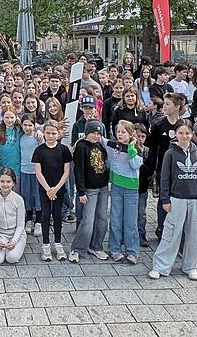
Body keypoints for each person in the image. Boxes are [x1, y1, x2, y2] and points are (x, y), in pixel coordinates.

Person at [149, 119, 197, 281]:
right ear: (175, 134)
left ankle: (191, 266)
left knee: (194, 234)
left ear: (192, 134)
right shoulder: (170, 154)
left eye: (187, 133)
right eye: (181, 133)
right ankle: (161, 266)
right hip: (176, 199)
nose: (184, 136)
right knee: (171, 233)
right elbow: (164, 179)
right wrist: (165, 200)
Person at [145, 92, 186, 238]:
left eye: (168, 104)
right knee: (164, 198)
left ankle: (177, 228)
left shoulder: (185, 125)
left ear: (177, 107)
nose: (165, 106)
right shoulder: (159, 125)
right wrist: (151, 169)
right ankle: (161, 228)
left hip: (181, 169)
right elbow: (151, 148)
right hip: (163, 167)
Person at [69, 120, 109, 262]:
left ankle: (96, 246)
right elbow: (78, 170)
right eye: (93, 133)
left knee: (102, 219)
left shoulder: (100, 145)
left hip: (103, 188)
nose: (96, 136)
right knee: (88, 221)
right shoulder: (81, 147)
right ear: (86, 133)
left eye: (99, 133)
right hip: (90, 190)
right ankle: (77, 249)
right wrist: (81, 192)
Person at [32, 120, 73, 261]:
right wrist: (48, 189)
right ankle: (45, 244)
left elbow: (66, 171)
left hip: (59, 188)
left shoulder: (64, 150)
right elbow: (38, 172)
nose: (50, 136)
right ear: (43, 133)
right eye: (48, 133)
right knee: (45, 215)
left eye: (53, 133)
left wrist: (56, 188)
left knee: (57, 215)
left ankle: (58, 242)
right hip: (45, 188)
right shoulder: (39, 150)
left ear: (59, 134)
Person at [105, 120, 144, 264]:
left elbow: (135, 166)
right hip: (116, 186)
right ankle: (115, 248)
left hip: (131, 190)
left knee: (130, 222)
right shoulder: (113, 145)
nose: (120, 134)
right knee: (115, 219)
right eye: (118, 131)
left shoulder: (138, 149)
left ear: (130, 133)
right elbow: (100, 139)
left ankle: (132, 250)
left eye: (123, 132)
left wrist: (131, 150)